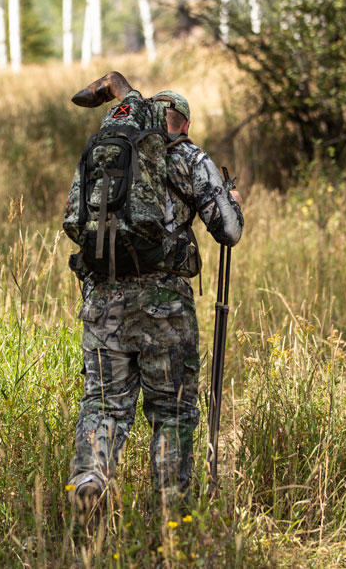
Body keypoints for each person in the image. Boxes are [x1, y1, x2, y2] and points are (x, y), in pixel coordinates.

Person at [64, 72, 243, 515]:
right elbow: (229, 231)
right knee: (173, 408)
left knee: (103, 404)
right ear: (180, 121)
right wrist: (232, 199)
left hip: (103, 297)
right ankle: (170, 509)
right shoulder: (187, 156)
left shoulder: (108, 152)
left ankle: (90, 476)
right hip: (165, 306)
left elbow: (73, 222)